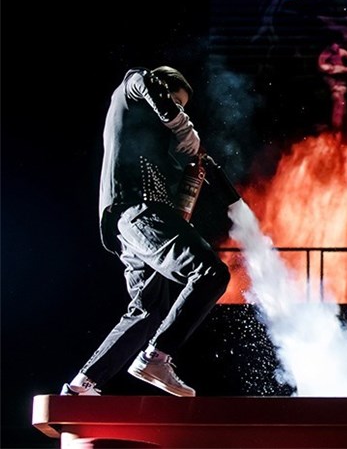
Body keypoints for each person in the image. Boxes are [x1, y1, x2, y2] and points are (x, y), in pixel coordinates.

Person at [60, 66, 231, 397]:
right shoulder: (130, 91)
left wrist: (191, 168)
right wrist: (182, 125)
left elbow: (178, 197)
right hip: (137, 212)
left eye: (182, 108)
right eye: (175, 103)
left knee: (148, 312)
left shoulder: (155, 144)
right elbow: (143, 80)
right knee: (210, 272)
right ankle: (155, 357)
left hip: (135, 226)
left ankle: (82, 385)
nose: (178, 112)